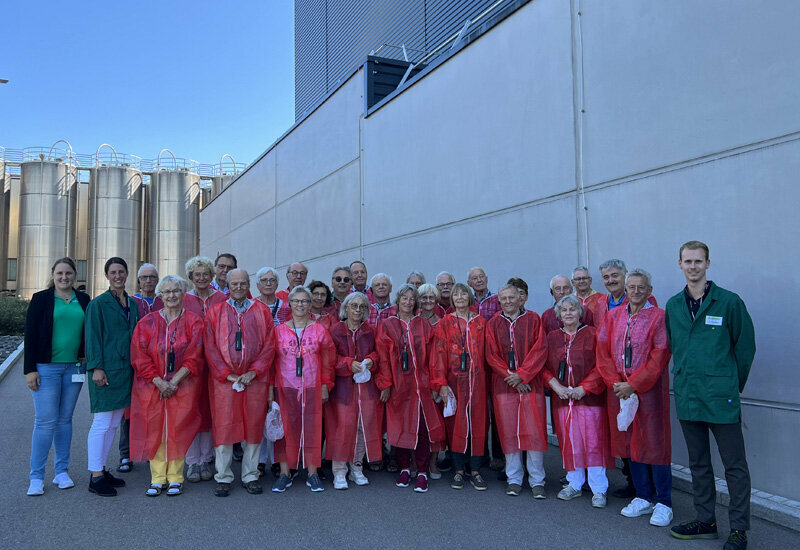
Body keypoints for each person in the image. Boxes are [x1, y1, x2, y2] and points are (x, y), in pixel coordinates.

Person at [665, 241, 755, 550]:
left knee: (735, 467)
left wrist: (730, 384)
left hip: (721, 399)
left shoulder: (729, 303)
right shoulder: (674, 305)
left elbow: (745, 351)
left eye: (698, 261)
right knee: (698, 463)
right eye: (687, 261)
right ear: (679, 264)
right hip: (689, 396)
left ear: (708, 264)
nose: (693, 266)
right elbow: (676, 347)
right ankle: (706, 522)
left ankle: (739, 530)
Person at [596, 269, 673, 527]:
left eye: (641, 287)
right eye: (632, 287)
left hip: (649, 393)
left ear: (649, 290)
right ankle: (643, 496)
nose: (636, 292)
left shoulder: (659, 317)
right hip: (620, 392)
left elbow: (660, 354)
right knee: (631, 443)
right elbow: (603, 351)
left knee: (655, 444)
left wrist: (634, 384)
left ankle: (664, 501)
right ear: (626, 290)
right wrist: (615, 383)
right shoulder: (613, 316)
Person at [130, 275, 204, 497]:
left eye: (176, 291)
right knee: (156, 431)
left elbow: (195, 355)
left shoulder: (194, 321)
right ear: (160, 295)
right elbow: (139, 356)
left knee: (177, 429)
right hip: (152, 387)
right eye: (167, 291)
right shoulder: (147, 322)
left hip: (184, 386)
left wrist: (173, 382)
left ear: (184, 293)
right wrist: (160, 382)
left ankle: (176, 477)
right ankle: (157, 477)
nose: (171, 295)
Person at [204, 269, 276, 497]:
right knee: (224, 427)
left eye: (242, 283)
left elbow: (269, 346)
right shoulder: (216, 312)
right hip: (224, 382)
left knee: (253, 427)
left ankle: (250, 475)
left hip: (255, 381)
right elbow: (210, 348)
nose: (238, 287)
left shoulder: (262, 311)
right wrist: (227, 374)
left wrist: (254, 372)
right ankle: (223, 476)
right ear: (227, 284)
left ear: (248, 285)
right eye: (234, 283)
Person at [24, 257, 91, 496]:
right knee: (45, 421)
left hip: (73, 369)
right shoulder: (41, 299)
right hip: (46, 368)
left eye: (69, 273)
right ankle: (36, 476)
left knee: (65, 420)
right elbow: (30, 335)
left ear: (75, 275)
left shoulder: (83, 299)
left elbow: (87, 332)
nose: (64, 278)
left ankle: (61, 471)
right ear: (53, 275)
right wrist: (29, 370)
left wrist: (85, 356)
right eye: (60, 273)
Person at [376, 284, 447, 493]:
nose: (407, 302)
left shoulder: (423, 325)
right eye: (404, 298)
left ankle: (423, 471)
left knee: (423, 429)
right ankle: (405, 468)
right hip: (399, 385)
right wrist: (386, 384)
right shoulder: (388, 325)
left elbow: (434, 357)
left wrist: (435, 384)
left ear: (415, 302)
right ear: (398, 300)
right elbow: (382, 358)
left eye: (411, 299)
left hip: (421, 386)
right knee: (400, 428)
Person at [545, 295, 612, 508]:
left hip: (589, 399)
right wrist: (556, 386)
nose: (568, 313)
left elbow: (602, 364)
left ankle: (599, 489)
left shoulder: (593, 334)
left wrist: (585, 388)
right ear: (558, 315)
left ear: (580, 312)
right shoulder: (553, 337)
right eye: (563, 310)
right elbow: (543, 366)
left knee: (593, 442)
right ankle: (574, 483)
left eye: (572, 309)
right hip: (563, 399)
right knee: (570, 441)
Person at [485, 284, 549, 498]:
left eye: (512, 297)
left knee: (534, 432)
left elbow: (540, 350)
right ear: (499, 301)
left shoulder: (534, 320)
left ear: (520, 299)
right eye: (504, 298)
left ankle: (537, 479)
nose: (508, 301)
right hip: (504, 386)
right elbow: (491, 355)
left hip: (531, 384)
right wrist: (511, 377)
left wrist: (523, 374)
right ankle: (514, 478)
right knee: (509, 431)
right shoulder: (493, 323)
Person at [271, 286, 336, 493]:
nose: (300, 305)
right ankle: (285, 473)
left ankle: (312, 473)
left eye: (304, 301)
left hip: (311, 387)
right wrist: (271, 392)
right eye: (296, 301)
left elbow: (328, 360)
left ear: (309, 304)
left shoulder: (319, 329)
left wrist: (325, 385)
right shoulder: (278, 330)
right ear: (289, 304)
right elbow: (271, 362)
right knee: (284, 430)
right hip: (285, 387)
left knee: (312, 429)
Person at [84, 257, 139, 497]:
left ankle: (102, 469)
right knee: (102, 424)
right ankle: (95, 477)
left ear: (127, 274)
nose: (118, 276)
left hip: (125, 373)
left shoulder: (133, 304)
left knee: (114, 424)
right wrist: (96, 368)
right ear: (107, 276)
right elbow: (92, 338)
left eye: (121, 272)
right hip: (105, 372)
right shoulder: (98, 304)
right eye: (113, 272)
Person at [434, 283, 488, 491]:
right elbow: (438, 355)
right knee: (455, 423)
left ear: (469, 297)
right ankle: (458, 470)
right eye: (455, 294)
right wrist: (441, 384)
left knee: (478, 422)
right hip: (454, 381)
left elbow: (488, 353)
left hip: (478, 382)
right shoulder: (445, 323)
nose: (459, 297)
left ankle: (474, 470)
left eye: (463, 293)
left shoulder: (480, 322)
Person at [325, 292, 382, 489]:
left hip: (366, 387)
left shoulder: (371, 330)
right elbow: (331, 358)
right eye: (354, 306)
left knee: (361, 426)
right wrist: (349, 363)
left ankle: (356, 467)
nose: (358, 310)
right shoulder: (335, 330)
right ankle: (339, 470)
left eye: (362, 307)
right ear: (346, 308)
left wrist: (371, 360)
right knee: (343, 427)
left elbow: (378, 353)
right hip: (343, 388)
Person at [183, 256, 228, 482]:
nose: (201, 278)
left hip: (216, 362)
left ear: (212, 276)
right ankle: (192, 461)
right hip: (190, 364)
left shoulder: (222, 298)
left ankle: (206, 458)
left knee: (212, 410)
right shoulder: (183, 299)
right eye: (197, 274)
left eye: (205, 274)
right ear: (191, 277)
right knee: (192, 410)